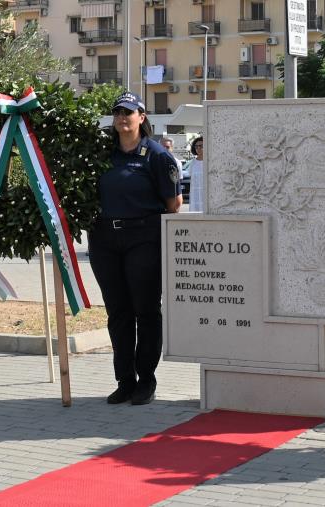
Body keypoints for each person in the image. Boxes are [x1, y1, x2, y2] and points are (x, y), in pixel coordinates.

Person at [90, 92, 181, 406]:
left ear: (142, 117)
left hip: (143, 238)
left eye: (128, 112)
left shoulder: (156, 155)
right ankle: (125, 380)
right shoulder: (103, 153)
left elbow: (173, 203)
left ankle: (146, 379)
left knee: (145, 309)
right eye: (117, 112)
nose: (121, 118)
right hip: (104, 239)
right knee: (118, 311)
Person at [184, 136, 204, 212]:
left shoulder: (209, 161)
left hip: (206, 194)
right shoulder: (193, 162)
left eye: (201, 146)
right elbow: (188, 174)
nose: (198, 148)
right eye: (196, 146)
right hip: (195, 193)